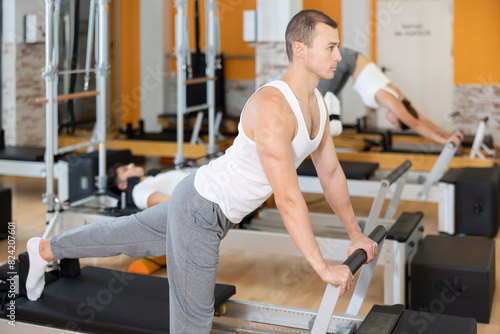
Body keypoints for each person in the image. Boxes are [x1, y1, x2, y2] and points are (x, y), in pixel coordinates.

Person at [26, 10, 378, 333]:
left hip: (202, 201)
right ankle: (45, 250)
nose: (338, 56)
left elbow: (330, 174)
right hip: (201, 211)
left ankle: (44, 250)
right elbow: (287, 198)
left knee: (124, 234)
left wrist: (355, 234)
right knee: (192, 322)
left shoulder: (316, 102)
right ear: (300, 49)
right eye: (331, 47)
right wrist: (321, 266)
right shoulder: (273, 108)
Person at [317, 47, 463, 146]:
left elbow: (420, 118)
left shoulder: (399, 98)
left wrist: (447, 135)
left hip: (348, 62)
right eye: (395, 123)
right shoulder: (391, 100)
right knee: (316, 98)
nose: (392, 122)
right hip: (345, 60)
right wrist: (444, 141)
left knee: (322, 99)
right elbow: (415, 124)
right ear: (399, 116)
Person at [107, 162, 190, 210]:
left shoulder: (150, 179)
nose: (131, 164)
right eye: (126, 169)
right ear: (123, 184)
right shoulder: (138, 191)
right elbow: (176, 206)